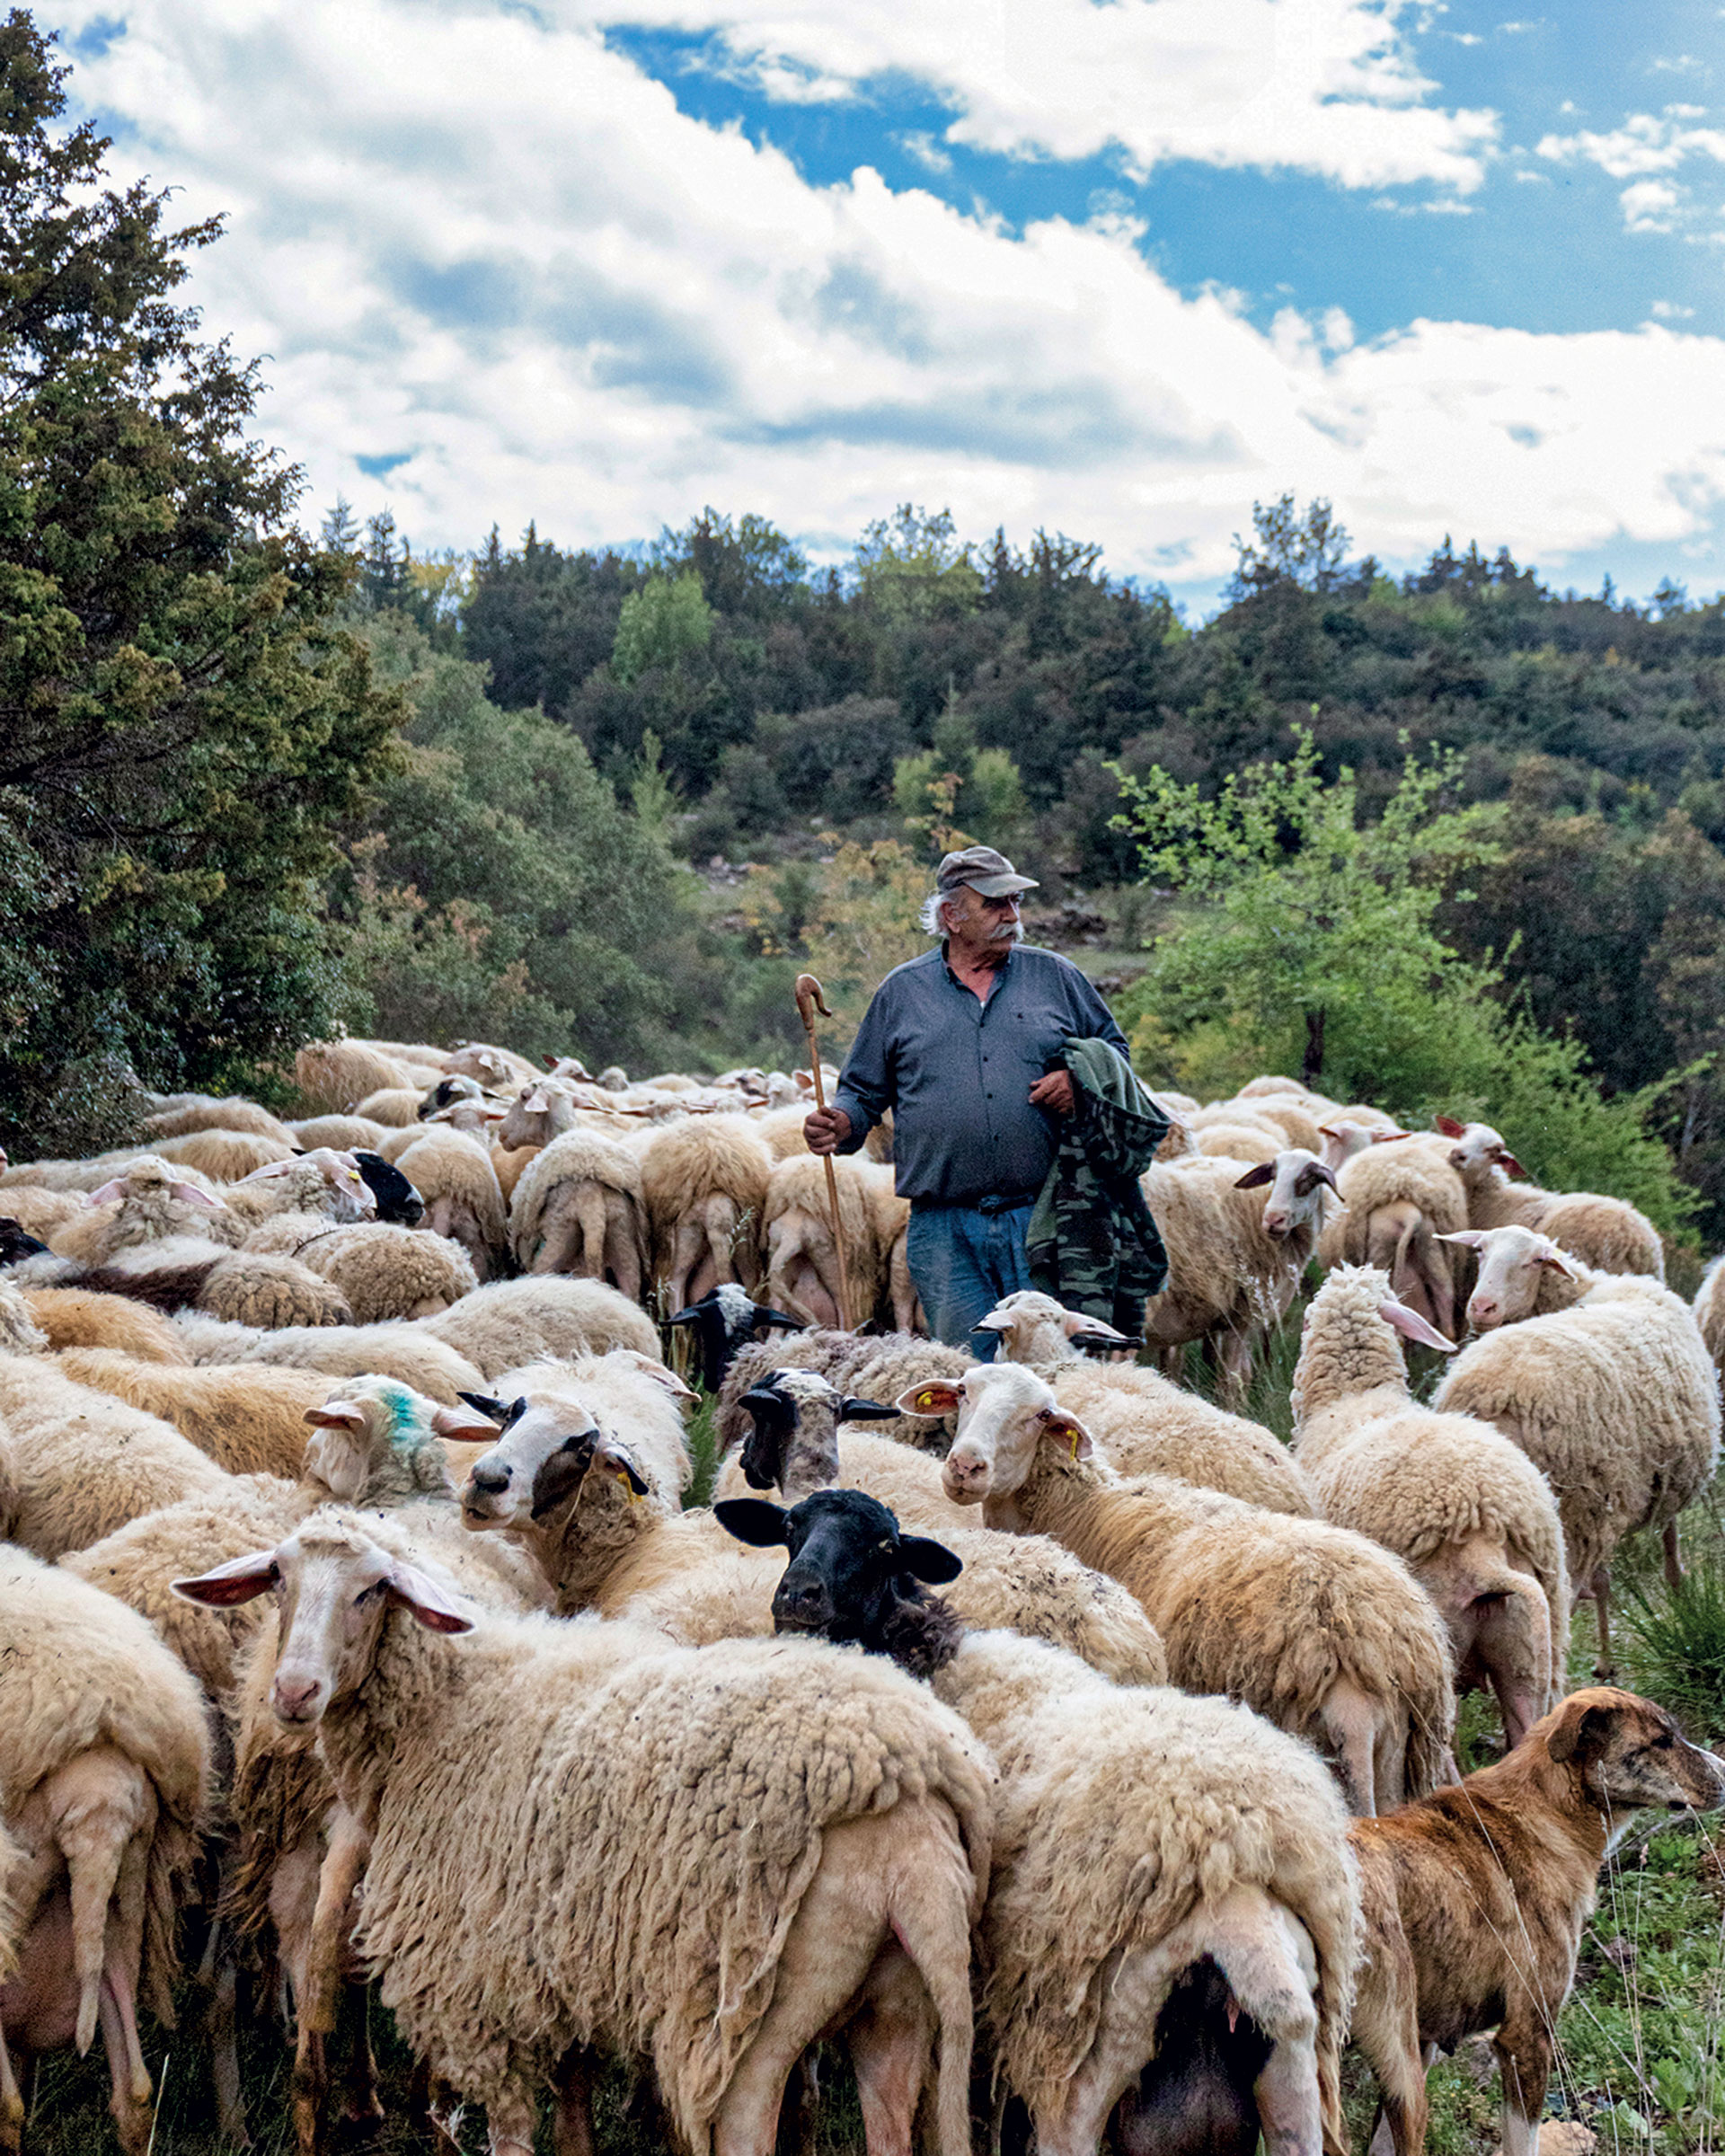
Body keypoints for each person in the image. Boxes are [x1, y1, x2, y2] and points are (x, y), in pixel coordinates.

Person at [806, 844, 1130, 1354]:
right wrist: (842, 1122)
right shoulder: (902, 993)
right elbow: (863, 1090)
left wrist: (1079, 1080)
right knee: (971, 1374)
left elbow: (1114, 1053)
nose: (1012, 915)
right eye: (995, 904)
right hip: (943, 1229)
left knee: (1052, 1371)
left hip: (1044, 1216)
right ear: (951, 916)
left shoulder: (1056, 978)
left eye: (1015, 902)